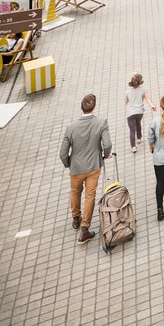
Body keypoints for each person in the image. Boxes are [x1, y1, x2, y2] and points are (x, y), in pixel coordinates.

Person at [59, 92, 112, 244]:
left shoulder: (70, 128)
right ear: (94, 107)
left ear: (80, 108)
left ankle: (76, 219)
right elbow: (107, 145)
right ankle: (84, 229)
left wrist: (69, 163)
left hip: (76, 168)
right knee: (90, 195)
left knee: (75, 192)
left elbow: (62, 153)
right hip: (93, 166)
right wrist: (105, 155)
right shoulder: (101, 123)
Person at [124, 73, 156, 154]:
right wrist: (152, 105)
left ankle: (133, 147)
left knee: (132, 129)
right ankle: (139, 138)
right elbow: (147, 98)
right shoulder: (143, 90)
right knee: (138, 123)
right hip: (139, 112)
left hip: (130, 112)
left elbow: (126, 102)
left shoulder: (127, 91)